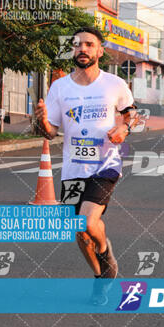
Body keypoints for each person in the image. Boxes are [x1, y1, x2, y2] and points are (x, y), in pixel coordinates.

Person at [34, 27, 137, 303]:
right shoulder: (60, 87)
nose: (83, 49)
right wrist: (41, 119)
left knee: (89, 222)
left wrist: (124, 130)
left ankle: (105, 249)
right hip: (73, 169)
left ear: (99, 51)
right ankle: (101, 276)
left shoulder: (114, 84)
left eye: (89, 44)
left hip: (106, 165)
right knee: (77, 231)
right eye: (78, 45)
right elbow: (50, 132)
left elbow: (130, 113)